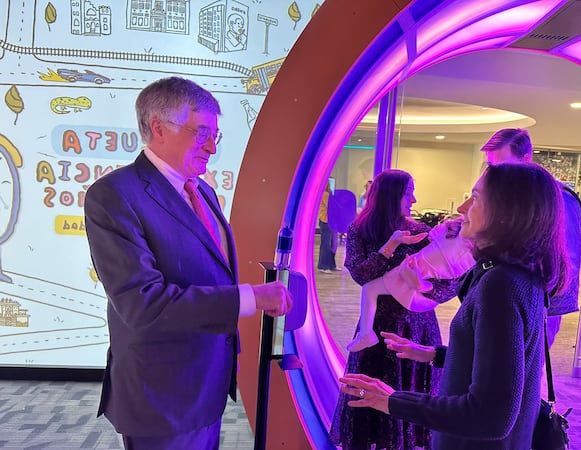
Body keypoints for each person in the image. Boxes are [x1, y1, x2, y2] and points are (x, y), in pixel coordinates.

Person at [84, 77, 293, 449]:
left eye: (216, 135)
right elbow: (141, 302)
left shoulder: (203, 190)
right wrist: (252, 298)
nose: (212, 147)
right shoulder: (115, 195)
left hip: (206, 385)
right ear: (158, 128)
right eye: (201, 133)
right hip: (161, 396)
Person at [340, 162, 568, 450]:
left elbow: (490, 416)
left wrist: (394, 400)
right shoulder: (520, 275)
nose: (462, 208)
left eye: (475, 197)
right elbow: (503, 367)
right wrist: (433, 354)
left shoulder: (501, 285)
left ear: (506, 213)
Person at [329, 169, 458, 450]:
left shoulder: (422, 232)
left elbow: (451, 282)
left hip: (418, 327)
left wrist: (424, 291)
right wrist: (391, 245)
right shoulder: (361, 230)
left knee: (409, 394)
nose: (414, 199)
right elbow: (361, 276)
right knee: (369, 398)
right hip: (376, 327)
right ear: (391, 196)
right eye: (408, 192)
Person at [480, 128, 581, 348]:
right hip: (509, 291)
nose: (494, 175)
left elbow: (567, 257)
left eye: (502, 166)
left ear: (526, 158)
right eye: (491, 166)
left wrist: (545, 302)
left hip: (540, 299)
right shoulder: (510, 195)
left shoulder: (558, 196)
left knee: (526, 368)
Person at [347, 221, 474, 352]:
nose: (412, 200)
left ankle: (366, 334)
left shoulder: (457, 236)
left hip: (413, 287)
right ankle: (365, 334)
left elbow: (453, 284)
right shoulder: (468, 249)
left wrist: (423, 285)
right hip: (417, 287)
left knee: (370, 289)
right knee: (370, 289)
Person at [318, 182, 341, 273]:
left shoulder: (329, 194)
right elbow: (332, 206)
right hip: (326, 221)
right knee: (326, 244)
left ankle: (331, 265)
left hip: (332, 222)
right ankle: (323, 266)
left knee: (333, 244)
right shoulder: (325, 194)